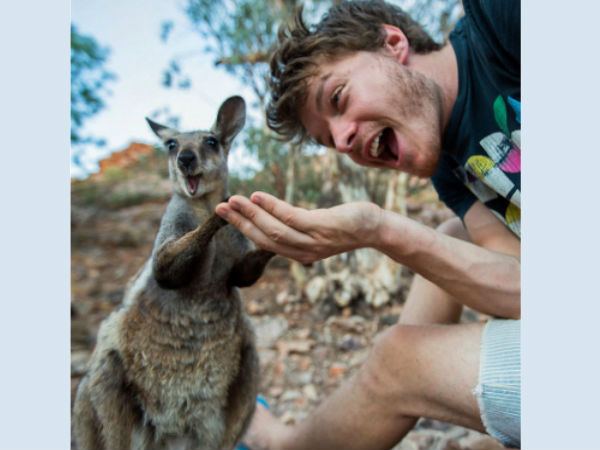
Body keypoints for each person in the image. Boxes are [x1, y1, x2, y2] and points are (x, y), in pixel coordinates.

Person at [215, 0, 521, 448]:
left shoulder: (500, 23)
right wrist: (379, 230)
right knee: (453, 237)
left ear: (393, 43)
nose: (342, 141)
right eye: (329, 140)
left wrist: (381, 230)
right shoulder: (450, 167)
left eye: (338, 98)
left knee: (400, 361)